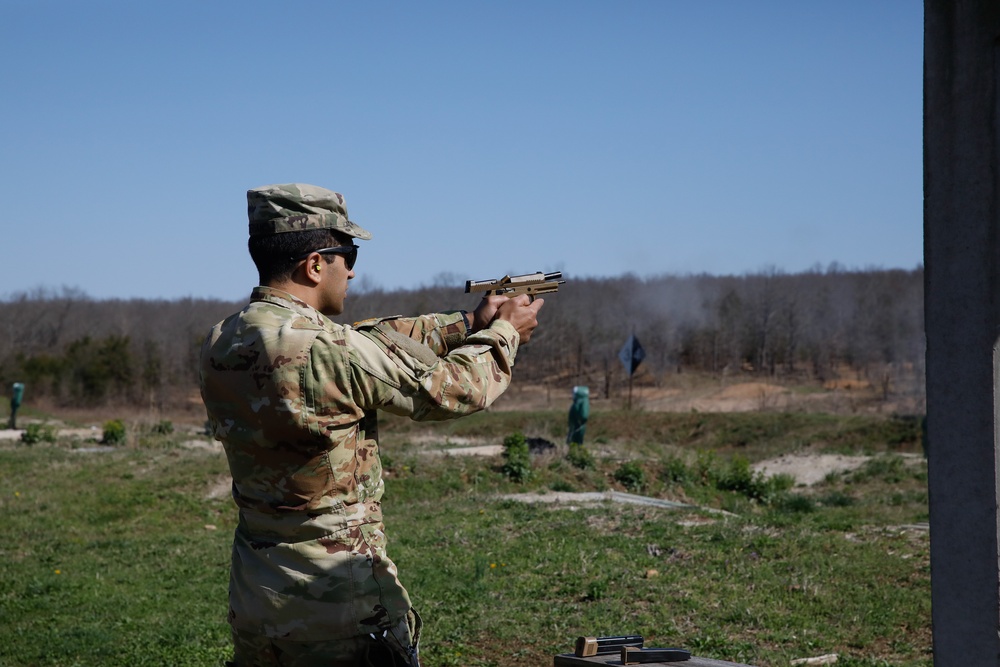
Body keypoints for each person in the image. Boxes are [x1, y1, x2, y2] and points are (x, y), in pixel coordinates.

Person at [199, 183, 543, 667]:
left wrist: (467, 321)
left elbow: (367, 342)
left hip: (259, 599)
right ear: (315, 264)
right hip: (340, 606)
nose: (353, 270)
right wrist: (505, 331)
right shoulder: (330, 353)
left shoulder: (223, 340)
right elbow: (456, 388)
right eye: (347, 254)